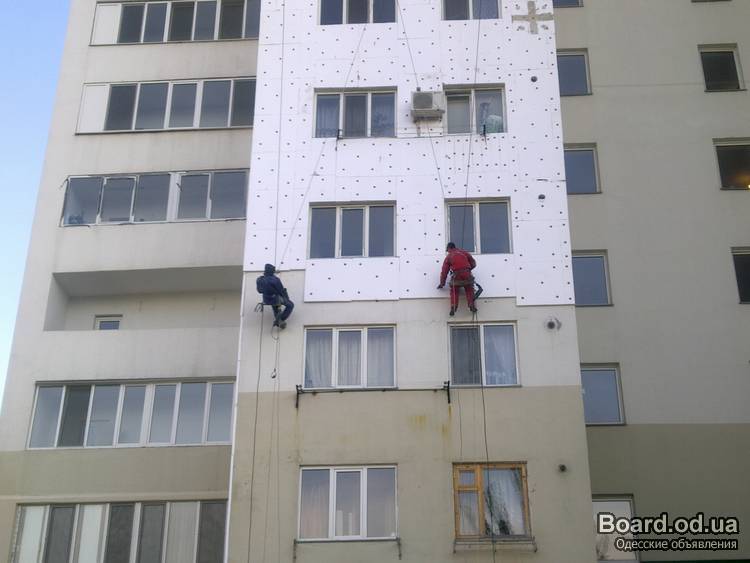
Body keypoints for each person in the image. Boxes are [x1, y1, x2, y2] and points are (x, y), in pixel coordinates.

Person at [437, 242, 477, 316]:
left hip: (457, 275)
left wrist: (442, 284)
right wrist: (467, 269)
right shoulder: (464, 253)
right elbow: (473, 263)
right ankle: (471, 305)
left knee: (454, 290)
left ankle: (453, 307)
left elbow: (444, 272)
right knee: (469, 289)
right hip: (467, 274)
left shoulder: (448, 257)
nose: (448, 252)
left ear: (449, 248)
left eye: (447, 250)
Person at [256, 264, 294, 328]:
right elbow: (281, 290)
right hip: (275, 299)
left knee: (275, 307)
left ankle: (279, 321)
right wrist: (286, 298)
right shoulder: (275, 280)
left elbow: (259, 291)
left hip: (266, 299)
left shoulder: (259, 279)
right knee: (290, 305)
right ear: (271, 271)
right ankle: (279, 320)